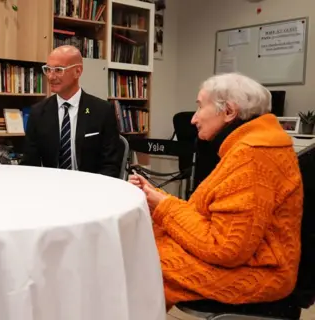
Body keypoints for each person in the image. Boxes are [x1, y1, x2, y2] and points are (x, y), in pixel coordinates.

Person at [130, 73, 303, 309]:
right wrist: (158, 198)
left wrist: (162, 206)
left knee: (134, 263)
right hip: (252, 260)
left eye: (200, 106)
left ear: (229, 111)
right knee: (140, 252)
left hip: (261, 272)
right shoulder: (252, 144)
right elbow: (210, 214)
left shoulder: (252, 155)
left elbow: (226, 249)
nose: (193, 119)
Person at [20, 45, 121, 178]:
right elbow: (29, 163)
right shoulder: (38, 112)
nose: (51, 76)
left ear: (78, 72)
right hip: (51, 188)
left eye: (58, 70)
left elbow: (111, 165)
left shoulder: (102, 111)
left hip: (91, 188)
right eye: (48, 70)